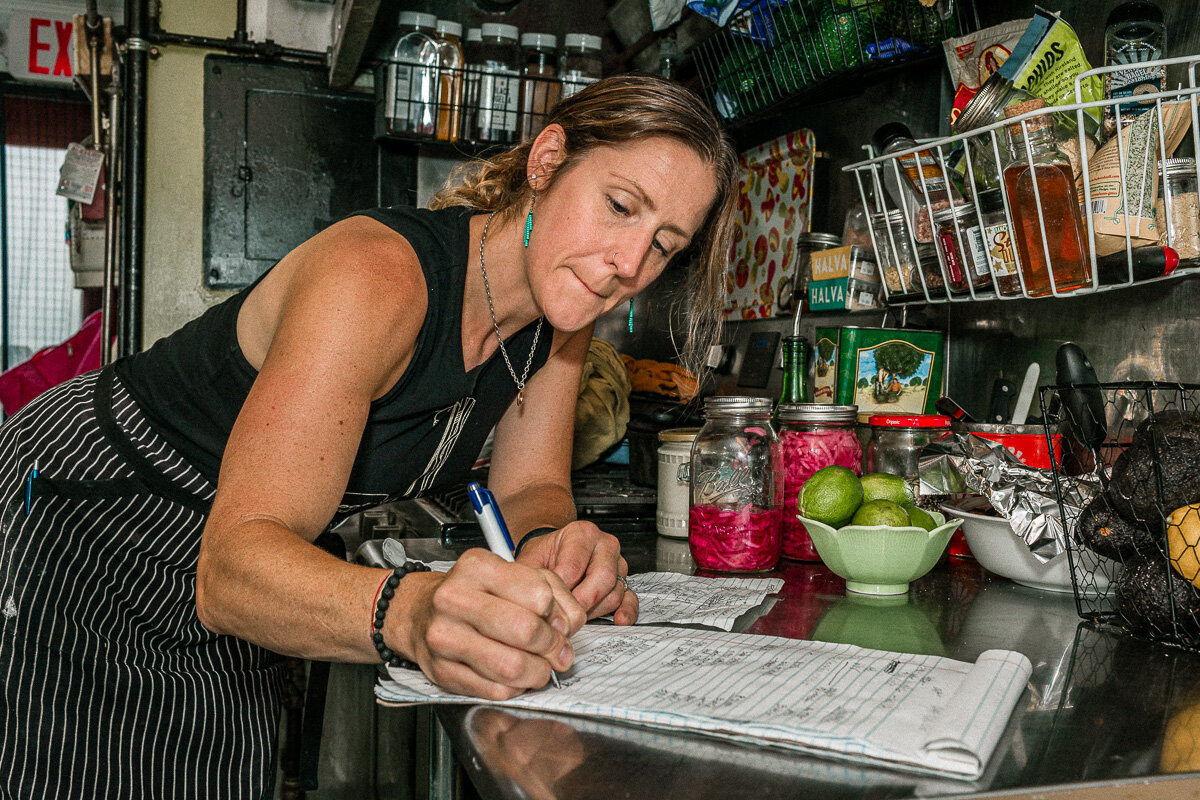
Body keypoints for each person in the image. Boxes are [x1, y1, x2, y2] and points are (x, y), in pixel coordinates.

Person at [0, 73, 738, 799]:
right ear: (547, 162)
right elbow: (230, 574)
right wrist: (412, 612)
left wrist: (555, 539)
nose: (629, 265)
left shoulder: (557, 323)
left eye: (663, 244)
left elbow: (530, 488)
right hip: (90, 515)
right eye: (619, 206)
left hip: (236, 561)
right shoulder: (376, 277)